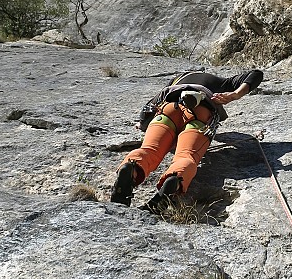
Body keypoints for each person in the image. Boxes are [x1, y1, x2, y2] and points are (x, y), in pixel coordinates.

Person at [110, 68, 264, 209]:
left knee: (149, 150)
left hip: (168, 110)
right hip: (200, 113)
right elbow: (255, 74)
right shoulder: (217, 82)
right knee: (186, 156)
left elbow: (149, 108)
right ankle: (175, 179)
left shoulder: (176, 81)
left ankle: (132, 168)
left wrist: (143, 125)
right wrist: (234, 94)